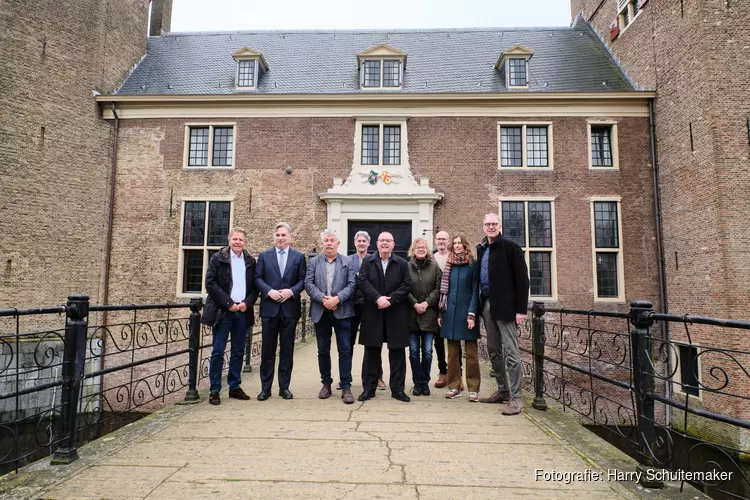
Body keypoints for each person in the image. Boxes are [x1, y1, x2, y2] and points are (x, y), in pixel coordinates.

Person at [476, 213, 529, 415]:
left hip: (506, 307)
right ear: (483, 227)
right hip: (487, 305)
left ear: (499, 226)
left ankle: (516, 398)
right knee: (493, 350)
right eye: (487, 224)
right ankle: (503, 390)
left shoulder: (511, 248)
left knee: (511, 353)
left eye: (493, 224)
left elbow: (523, 281)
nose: (490, 227)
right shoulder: (482, 249)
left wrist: (521, 310)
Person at [202, 227, 258, 406]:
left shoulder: (250, 261)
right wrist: (229, 303)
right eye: (235, 239)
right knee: (218, 351)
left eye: (240, 239)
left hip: (241, 312)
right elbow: (210, 283)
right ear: (229, 240)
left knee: (238, 351)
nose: (237, 242)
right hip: (223, 312)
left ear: (245, 242)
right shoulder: (217, 258)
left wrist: (246, 304)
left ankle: (234, 386)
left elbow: (255, 287)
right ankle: (215, 389)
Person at [357, 232, 413, 403]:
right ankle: (368, 389)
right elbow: (362, 282)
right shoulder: (368, 261)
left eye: (388, 241)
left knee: (397, 354)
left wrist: (392, 299)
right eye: (382, 240)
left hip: (395, 312)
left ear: (393, 244)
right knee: (371, 353)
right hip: (373, 312)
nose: (385, 243)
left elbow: (407, 284)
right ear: (377, 243)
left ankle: (398, 390)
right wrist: (377, 298)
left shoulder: (402, 263)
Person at [254, 222, 307, 401]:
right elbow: (257, 278)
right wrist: (269, 291)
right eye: (277, 235)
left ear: (290, 237)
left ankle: (284, 387)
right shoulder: (264, 256)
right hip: (270, 309)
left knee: (287, 351)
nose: (280, 238)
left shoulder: (299, 257)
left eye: (284, 235)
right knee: (267, 351)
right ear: (274, 237)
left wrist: (291, 291)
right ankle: (265, 388)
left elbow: (303, 280)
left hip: (290, 309)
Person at [305, 229, 357, 404]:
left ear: (338, 243)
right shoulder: (313, 262)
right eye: (326, 240)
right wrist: (323, 299)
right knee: (323, 350)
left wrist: (337, 299)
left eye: (332, 240)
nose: (329, 243)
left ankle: (346, 387)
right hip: (321, 311)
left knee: (345, 350)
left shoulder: (347, 262)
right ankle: (326, 384)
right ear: (322, 243)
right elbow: (308, 283)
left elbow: (352, 284)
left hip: (342, 312)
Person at [438, 233, 481, 401]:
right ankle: (454, 386)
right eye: (454, 243)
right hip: (449, 314)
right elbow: (444, 292)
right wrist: (441, 313)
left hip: (467, 314)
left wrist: (472, 314)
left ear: (465, 245)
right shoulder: (448, 264)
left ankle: (473, 388)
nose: (456, 245)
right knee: (452, 353)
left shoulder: (472, 264)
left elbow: (475, 290)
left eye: (459, 243)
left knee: (471, 354)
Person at [348, 231, 386, 391]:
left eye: (364, 241)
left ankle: (378, 376)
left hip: (370, 305)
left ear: (368, 244)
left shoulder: (373, 260)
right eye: (359, 241)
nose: (361, 243)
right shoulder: (348, 261)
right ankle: (346, 377)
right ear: (354, 243)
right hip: (352, 305)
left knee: (374, 342)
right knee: (347, 342)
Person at [406, 238, 442, 396]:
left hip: (429, 316)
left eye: (423, 247)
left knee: (427, 352)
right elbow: (404, 288)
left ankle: (424, 382)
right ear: (413, 250)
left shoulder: (434, 267)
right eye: (417, 247)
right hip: (412, 316)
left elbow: (438, 288)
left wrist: (426, 304)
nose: (420, 249)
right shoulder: (406, 267)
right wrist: (414, 303)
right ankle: (417, 383)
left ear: (427, 250)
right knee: (414, 352)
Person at [432, 230, 450, 388]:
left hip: (451, 303)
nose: (441, 241)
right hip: (435, 304)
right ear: (435, 240)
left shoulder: (453, 257)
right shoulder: (431, 257)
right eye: (439, 239)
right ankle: (443, 371)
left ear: (448, 240)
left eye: (444, 239)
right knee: (438, 341)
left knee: (453, 340)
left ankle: (456, 372)